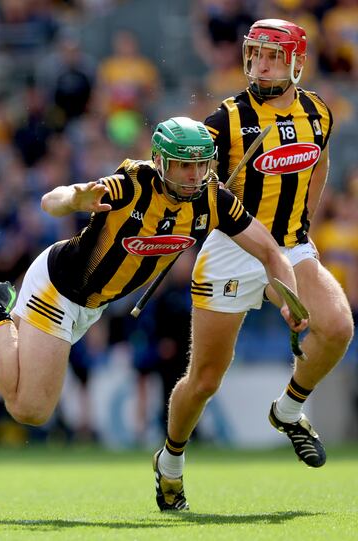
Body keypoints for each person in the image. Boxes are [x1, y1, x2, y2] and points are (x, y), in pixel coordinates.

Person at [0, 116, 306, 442]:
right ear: (161, 162)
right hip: (58, 287)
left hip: (91, 303)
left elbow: (271, 251)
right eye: (184, 165)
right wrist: (76, 198)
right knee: (30, 409)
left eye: (201, 164)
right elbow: (49, 200)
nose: (194, 175)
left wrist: (289, 297)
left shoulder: (214, 199)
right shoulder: (133, 183)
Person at [154, 19, 355, 512]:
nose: (260, 64)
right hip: (232, 250)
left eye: (272, 56)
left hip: (290, 245)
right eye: (256, 54)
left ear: (295, 62)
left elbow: (321, 160)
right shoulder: (226, 120)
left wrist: (307, 216)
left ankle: (288, 411)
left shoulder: (318, 111)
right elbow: (189, 181)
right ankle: (171, 461)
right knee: (204, 380)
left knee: (337, 326)